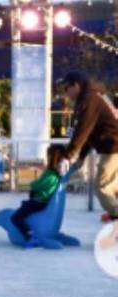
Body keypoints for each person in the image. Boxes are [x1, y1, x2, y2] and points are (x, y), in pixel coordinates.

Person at [59, 70, 118, 222]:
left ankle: (116, 215)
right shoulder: (89, 98)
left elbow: (82, 130)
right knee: (113, 187)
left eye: (66, 88)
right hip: (111, 146)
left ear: (76, 85)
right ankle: (114, 212)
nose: (66, 93)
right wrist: (81, 157)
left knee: (102, 186)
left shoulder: (89, 100)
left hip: (113, 146)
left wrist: (68, 155)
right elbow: (89, 132)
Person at [11, 145, 68, 247]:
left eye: (48, 156)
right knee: (24, 206)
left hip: (39, 201)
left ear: (52, 158)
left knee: (15, 218)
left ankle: (30, 237)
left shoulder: (51, 175)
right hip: (40, 200)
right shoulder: (56, 175)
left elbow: (37, 185)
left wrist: (33, 184)